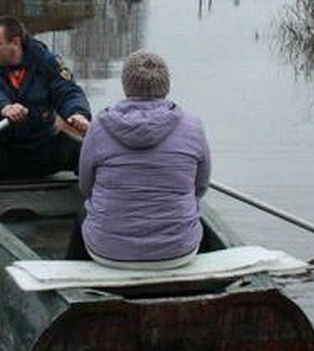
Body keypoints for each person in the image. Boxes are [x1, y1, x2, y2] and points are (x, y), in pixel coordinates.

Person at [68, 50, 210, 268]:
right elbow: (199, 188)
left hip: (108, 254)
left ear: (125, 85)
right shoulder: (194, 126)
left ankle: (71, 278)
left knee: (84, 210)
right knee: (194, 210)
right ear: (166, 85)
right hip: (178, 254)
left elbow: (86, 186)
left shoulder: (99, 126)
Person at [0, 15, 92, 206]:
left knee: (88, 153)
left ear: (15, 43)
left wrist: (78, 113)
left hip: (42, 147)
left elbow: (67, 91)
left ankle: (98, 209)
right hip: (1, 148)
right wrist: (3, 107)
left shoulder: (46, 62)